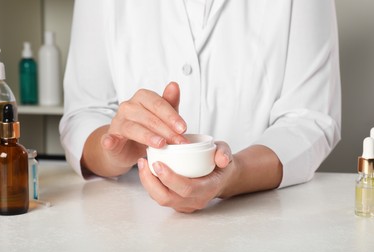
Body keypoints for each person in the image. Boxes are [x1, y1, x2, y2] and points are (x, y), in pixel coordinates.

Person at [60, 0, 341, 213]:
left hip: (259, 211)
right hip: (131, 218)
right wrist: (113, 152)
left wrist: (235, 173)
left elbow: (308, 118)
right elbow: (85, 113)